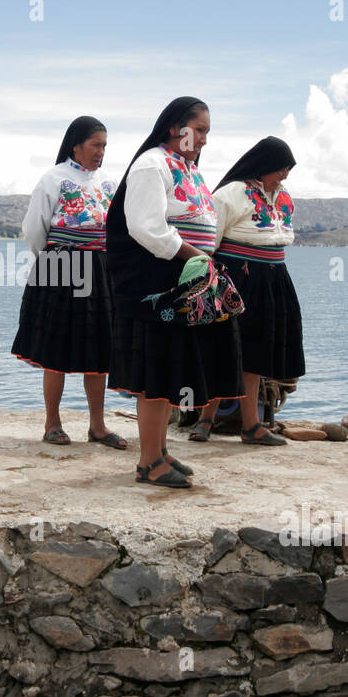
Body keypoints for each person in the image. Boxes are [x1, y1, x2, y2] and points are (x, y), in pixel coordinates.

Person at [106, 96, 245, 489]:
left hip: (184, 279)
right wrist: (196, 257)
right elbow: (146, 227)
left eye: (206, 133)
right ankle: (149, 462)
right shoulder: (152, 164)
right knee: (157, 375)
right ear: (174, 127)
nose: (203, 139)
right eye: (199, 130)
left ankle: (161, 451)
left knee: (170, 371)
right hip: (160, 284)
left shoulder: (187, 169)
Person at [11, 116, 127, 450]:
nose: (100, 152)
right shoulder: (53, 178)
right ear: (76, 144)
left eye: (104, 146)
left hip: (101, 267)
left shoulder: (108, 182)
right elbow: (34, 230)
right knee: (55, 346)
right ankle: (52, 423)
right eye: (95, 145)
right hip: (59, 264)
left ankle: (98, 427)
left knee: (101, 346)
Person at [190, 136, 302, 446]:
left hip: (274, 278)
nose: (285, 175)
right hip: (237, 277)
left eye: (288, 169)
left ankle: (251, 425)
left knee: (255, 351)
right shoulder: (231, 194)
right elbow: (209, 242)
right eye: (281, 168)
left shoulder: (284, 197)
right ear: (263, 165)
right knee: (224, 346)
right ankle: (206, 419)